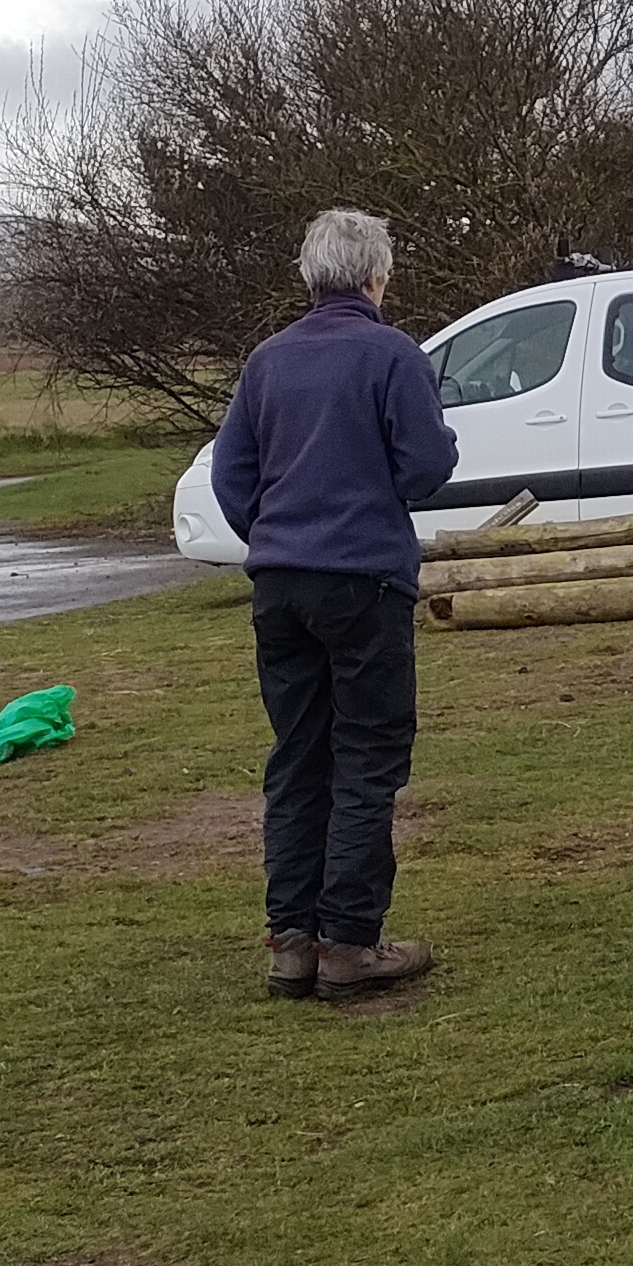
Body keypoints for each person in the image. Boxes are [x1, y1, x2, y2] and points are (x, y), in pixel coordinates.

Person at [209, 209, 458, 1003]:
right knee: (367, 757)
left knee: (296, 758)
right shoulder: (394, 355)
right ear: (377, 278)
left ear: (309, 278)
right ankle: (350, 942)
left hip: (280, 583)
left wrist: (276, 534)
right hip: (364, 581)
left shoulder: (266, 362)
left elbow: (230, 476)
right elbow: (424, 467)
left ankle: (291, 941)